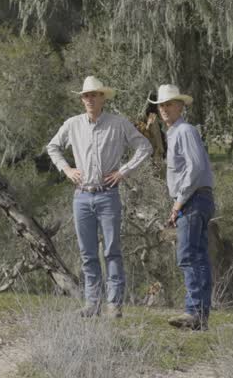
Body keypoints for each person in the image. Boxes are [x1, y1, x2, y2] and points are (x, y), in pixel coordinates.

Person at [46, 76, 153, 318]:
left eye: (94, 95)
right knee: (87, 253)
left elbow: (145, 147)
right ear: (82, 99)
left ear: (103, 97)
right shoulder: (72, 124)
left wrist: (123, 171)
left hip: (108, 196)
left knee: (112, 251)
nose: (90, 99)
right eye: (86, 95)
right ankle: (92, 303)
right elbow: (52, 147)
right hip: (82, 196)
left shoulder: (118, 124)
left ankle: (114, 304)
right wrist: (67, 169)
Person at [153, 83, 215, 331]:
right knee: (196, 255)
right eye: (161, 105)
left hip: (193, 199)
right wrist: (177, 204)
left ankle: (195, 312)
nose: (165, 109)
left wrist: (178, 202)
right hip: (194, 198)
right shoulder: (175, 133)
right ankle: (199, 314)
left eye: (169, 104)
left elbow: (196, 167)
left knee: (189, 256)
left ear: (181, 106)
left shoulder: (185, 131)